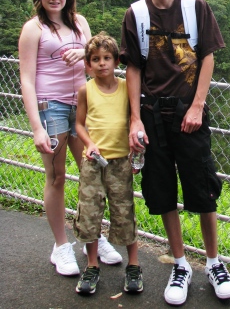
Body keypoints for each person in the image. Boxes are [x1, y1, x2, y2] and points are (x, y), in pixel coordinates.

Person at [120, 0, 230, 305]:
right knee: (163, 190)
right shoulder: (136, 14)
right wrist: (135, 118)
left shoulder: (195, 6)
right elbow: (133, 67)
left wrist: (198, 106)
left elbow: (207, 57)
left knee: (202, 189)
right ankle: (181, 264)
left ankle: (215, 263)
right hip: (153, 115)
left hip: (190, 113)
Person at [18, 0, 117, 276]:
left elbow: (95, 63)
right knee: (57, 176)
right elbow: (27, 79)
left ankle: (93, 236)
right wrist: (36, 127)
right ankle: (61, 247)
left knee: (92, 174)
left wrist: (81, 52)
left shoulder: (80, 22)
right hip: (52, 108)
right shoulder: (33, 29)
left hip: (83, 106)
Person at [73, 32, 143, 295]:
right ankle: (92, 266)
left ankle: (133, 265)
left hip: (120, 162)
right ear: (87, 65)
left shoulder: (127, 88)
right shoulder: (85, 90)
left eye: (107, 58)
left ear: (116, 61)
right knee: (90, 213)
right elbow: (79, 124)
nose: (102, 63)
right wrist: (89, 144)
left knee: (124, 211)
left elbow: (133, 120)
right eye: (95, 59)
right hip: (93, 163)